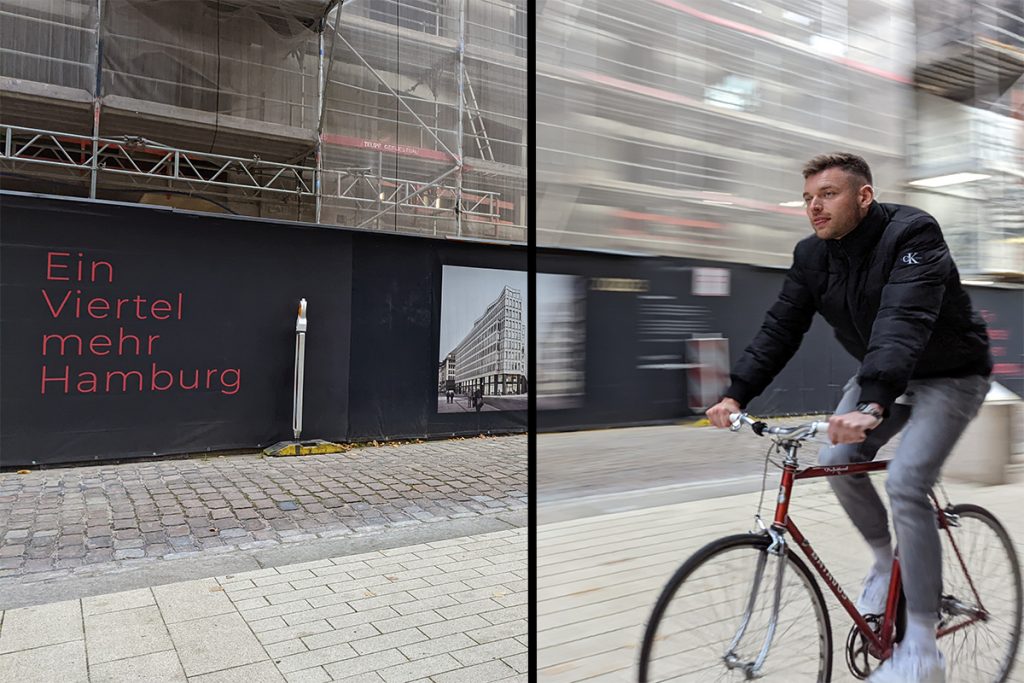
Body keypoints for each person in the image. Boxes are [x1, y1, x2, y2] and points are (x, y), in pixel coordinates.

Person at [706, 153, 991, 683]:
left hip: (951, 375)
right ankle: (886, 563)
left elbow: (903, 318)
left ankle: (923, 648)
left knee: (906, 481)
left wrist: (872, 403)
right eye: (808, 197)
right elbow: (780, 328)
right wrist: (736, 395)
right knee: (836, 456)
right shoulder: (811, 256)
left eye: (828, 194)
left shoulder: (913, 233)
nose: (815, 206)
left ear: (864, 196)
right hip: (884, 376)